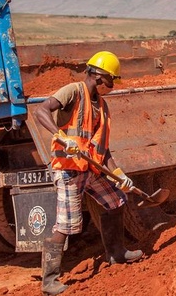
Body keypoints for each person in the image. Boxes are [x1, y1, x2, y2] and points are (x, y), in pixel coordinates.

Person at [34, 51, 141, 295]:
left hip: (91, 169)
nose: (112, 88)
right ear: (99, 76)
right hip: (69, 170)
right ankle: (49, 281)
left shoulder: (102, 107)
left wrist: (119, 174)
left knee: (116, 200)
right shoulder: (73, 91)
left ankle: (116, 253)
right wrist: (60, 137)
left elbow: (104, 148)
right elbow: (41, 111)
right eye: (111, 82)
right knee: (67, 224)